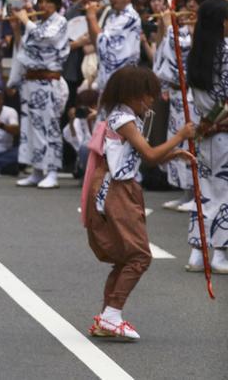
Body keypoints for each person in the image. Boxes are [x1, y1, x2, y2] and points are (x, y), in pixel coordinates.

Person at [82, 66, 196, 341]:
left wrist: (172, 153)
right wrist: (180, 136)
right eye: (148, 95)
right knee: (139, 256)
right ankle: (111, 315)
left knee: (125, 257)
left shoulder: (126, 116)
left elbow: (145, 157)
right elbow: (147, 152)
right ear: (133, 94)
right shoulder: (123, 118)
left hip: (122, 187)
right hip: (118, 190)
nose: (151, 101)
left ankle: (107, 315)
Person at [153, 0, 214, 211]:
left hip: (193, 94)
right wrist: (165, 27)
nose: (190, 5)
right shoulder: (181, 28)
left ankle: (196, 194)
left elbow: (184, 53)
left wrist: (171, 29)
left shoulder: (206, 33)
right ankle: (185, 192)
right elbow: (163, 52)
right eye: (188, 0)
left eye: (195, 1)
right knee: (177, 141)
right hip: (177, 93)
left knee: (192, 143)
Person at [185, 0, 228, 274]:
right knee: (225, 192)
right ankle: (221, 254)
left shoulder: (196, 50)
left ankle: (197, 252)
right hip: (223, 127)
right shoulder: (225, 50)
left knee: (204, 190)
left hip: (204, 128)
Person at [12, 0, 70, 189]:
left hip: (48, 81)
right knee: (31, 127)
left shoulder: (59, 22)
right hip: (31, 81)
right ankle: (37, 170)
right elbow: (23, 50)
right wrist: (19, 26)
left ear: (56, 4)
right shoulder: (37, 23)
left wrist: (25, 21)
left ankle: (52, 171)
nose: (43, 5)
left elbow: (48, 39)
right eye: (41, 1)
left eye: (48, 2)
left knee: (49, 127)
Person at [88, 0, 141, 93]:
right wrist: (89, 19)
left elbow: (103, 41)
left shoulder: (129, 17)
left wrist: (91, 17)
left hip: (122, 82)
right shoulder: (113, 16)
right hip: (108, 80)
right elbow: (97, 44)